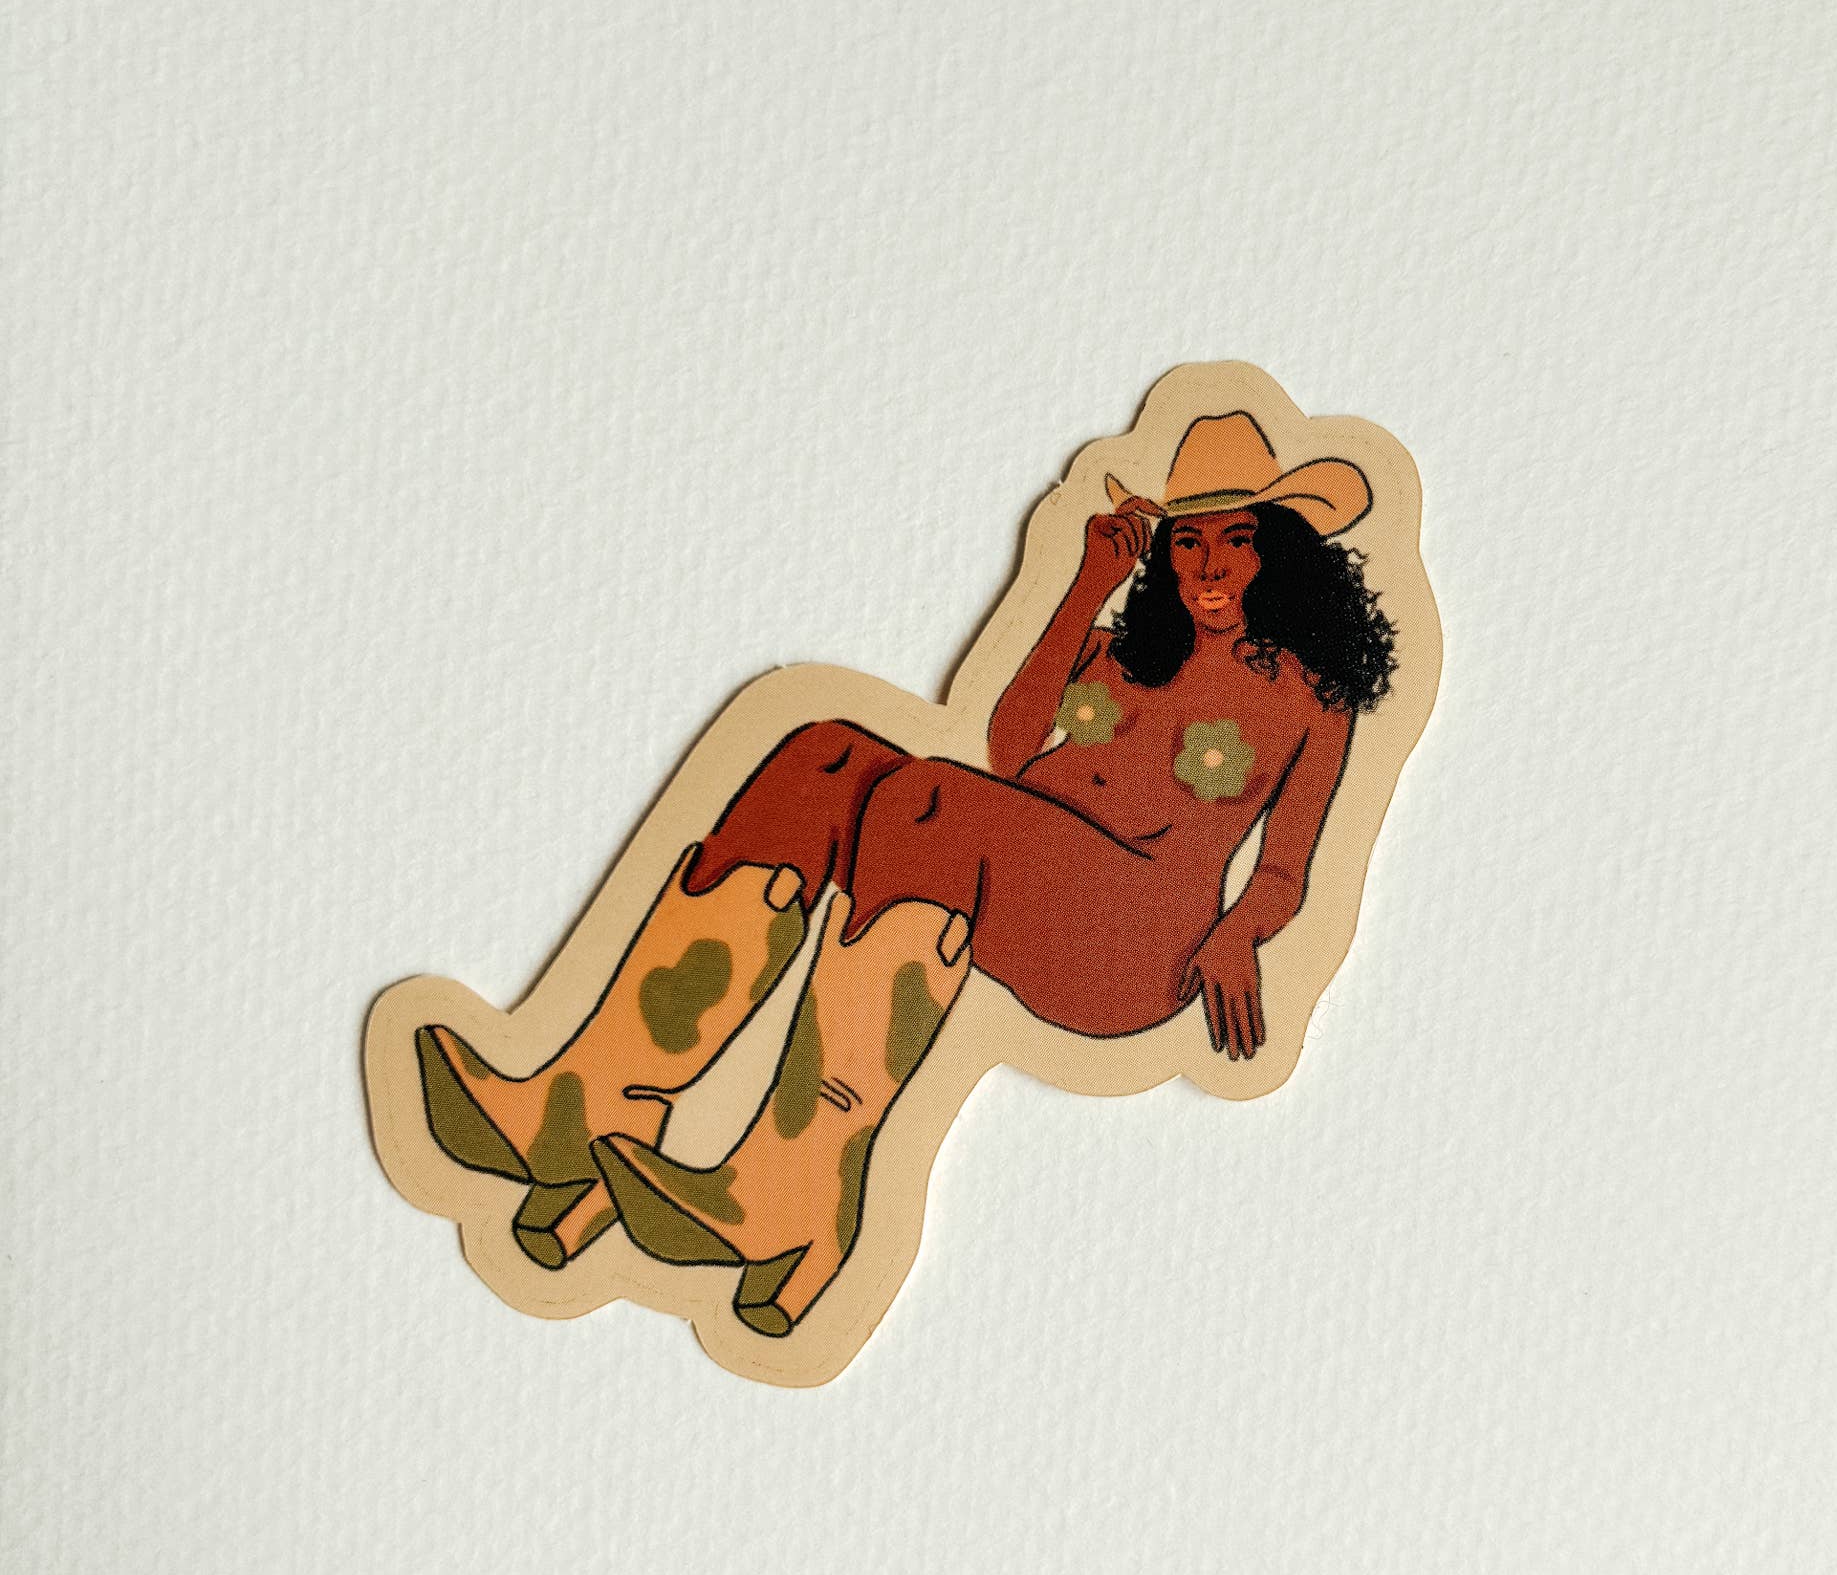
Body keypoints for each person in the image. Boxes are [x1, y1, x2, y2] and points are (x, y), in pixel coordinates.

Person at [416, 410, 1397, 1335]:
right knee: (823, 759)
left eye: (1237, 539)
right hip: (1015, 871)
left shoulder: (1312, 695)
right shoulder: (1122, 651)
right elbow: (1009, 747)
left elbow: (1286, 868)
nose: (1208, 565)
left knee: (930, 801)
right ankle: (582, 1110)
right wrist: (1084, 584)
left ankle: (792, 1195)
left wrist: (1237, 935)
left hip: (1132, 940)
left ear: (1281, 550)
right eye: (1187, 541)